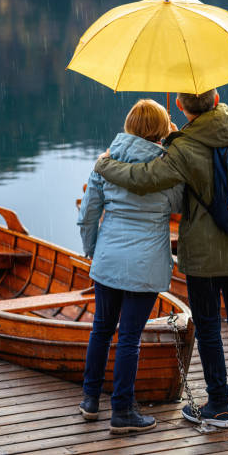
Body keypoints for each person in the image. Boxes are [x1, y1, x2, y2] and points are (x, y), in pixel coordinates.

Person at [94, 89, 228, 429]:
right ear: (216, 101)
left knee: (209, 325)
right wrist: (174, 135)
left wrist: (106, 164)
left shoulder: (184, 147)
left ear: (181, 107)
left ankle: (219, 406)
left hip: (204, 252)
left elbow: (144, 179)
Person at [78, 98, 183, 434]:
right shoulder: (167, 166)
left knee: (101, 329)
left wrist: (93, 252)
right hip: (146, 263)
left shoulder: (105, 160)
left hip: (108, 259)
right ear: (160, 129)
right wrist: (175, 148)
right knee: (129, 339)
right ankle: (122, 411)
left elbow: (88, 216)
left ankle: (90, 400)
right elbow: (180, 205)